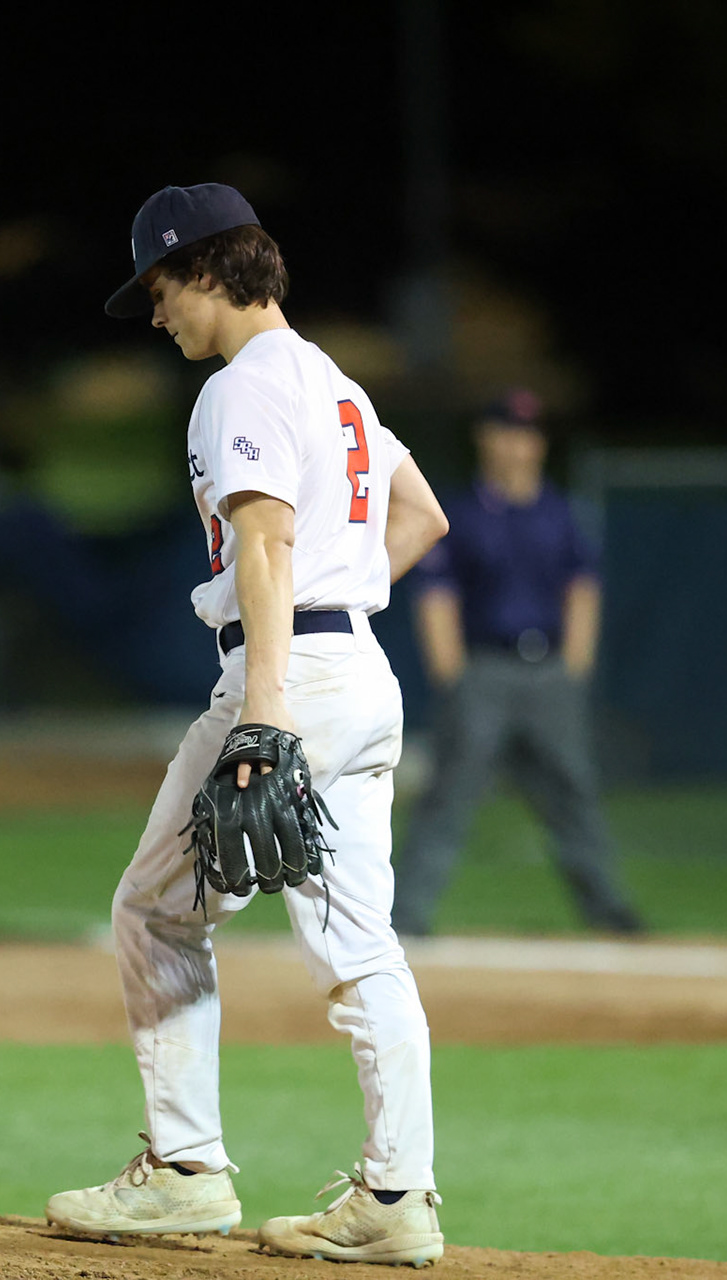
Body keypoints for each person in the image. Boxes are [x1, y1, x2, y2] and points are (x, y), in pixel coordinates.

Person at [44, 183, 452, 1266]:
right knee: (363, 947)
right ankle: (398, 1194)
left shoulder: (242, 388)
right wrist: (345, 603)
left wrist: (265, 714)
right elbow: (422, 516)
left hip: (289, 685)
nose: (160, 310)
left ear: (215, 269)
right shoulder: (340, 386)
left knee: (154, 910)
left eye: (165, 284)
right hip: (360, 672)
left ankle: (185, 1172)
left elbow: (264, 545)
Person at [393, 389, 645, 938]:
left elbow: (583, 589)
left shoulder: (561, 512)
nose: (519, 445)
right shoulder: (460, 512)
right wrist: (452, 676)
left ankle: (606, 908)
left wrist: (575, 667)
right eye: (507, 432)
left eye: (528, 434)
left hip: (549, 670)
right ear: (486, 438)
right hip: (483, 669)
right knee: (451, 794)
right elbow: (436, 596)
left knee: (573, 790)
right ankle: (406, 913)